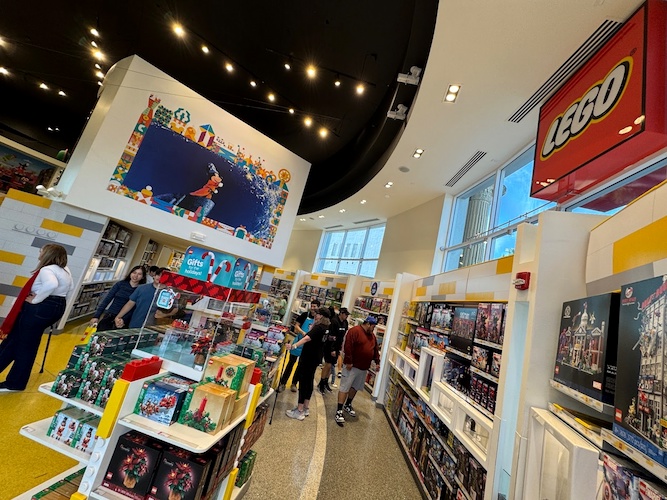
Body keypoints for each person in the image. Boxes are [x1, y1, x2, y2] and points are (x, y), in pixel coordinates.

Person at [0, 244, 73, 392]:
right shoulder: (65, 270)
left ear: (48, 254)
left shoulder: (47, 269)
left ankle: (15, 383)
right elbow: (70, 289)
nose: (40, 253)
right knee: (21, 341)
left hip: (38, 309)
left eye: (42, 250)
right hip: (56, 307)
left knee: (22, 345)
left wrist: (36, 300)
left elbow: (51, 284)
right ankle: (15, 381)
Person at [285, 306, 331, 420]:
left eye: (318, 314)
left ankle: (299, 410)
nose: (315, 315)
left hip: (308, 357)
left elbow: (307, 338)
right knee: (309, 381)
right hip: (316, 358)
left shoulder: (319, 327)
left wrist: (293, 346)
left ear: (321, 316)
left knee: (303, 382)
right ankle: (305, 407)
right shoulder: (326, 328)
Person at [335, 316, 380, 425]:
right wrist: (349, 361)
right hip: (351, 366)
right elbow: (348, 346)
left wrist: (377, 361)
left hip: (363, 367)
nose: (373, 329)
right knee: (345, 387)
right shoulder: (354, 331)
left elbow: (375, 349)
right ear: (368, 324)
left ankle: (348, 404)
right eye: (373, 326)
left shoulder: (372, 336)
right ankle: (339, 411)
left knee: (355, 387)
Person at [278, 299, 320, 393]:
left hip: (307, 346)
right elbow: (296, 325)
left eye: (314, 306)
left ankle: (294, 383)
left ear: (318, 307)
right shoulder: (305, 315)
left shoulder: (318, 319)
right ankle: (283, 383)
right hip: (298, 342)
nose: (312, 308)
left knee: (300, 366)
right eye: (312, 306)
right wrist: (302, 332)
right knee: (290, 363)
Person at [89, 266, 146, 331]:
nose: (135, 276)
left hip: (124, 320)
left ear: (143, 277)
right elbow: (107, 300)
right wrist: (96, 316)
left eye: (139, 274)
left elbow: (136, 308)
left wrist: (123, 319)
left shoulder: (142, 290)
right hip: (110, 315)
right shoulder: (120, 284)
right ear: (130, 273)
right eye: (134, 272)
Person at [319, 307, 349, 394]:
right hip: (329, 346)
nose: (346, 316)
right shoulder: (334, 321)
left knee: (332, 365)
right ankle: (321, 383)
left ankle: (325, 382)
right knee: (328, 365)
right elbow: (330, 335)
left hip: (337, 347)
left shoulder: (345, 323)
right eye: (345, 314)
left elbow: (343, 335)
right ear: (341, 313)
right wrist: (332, 349)